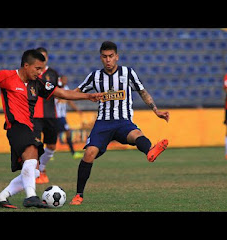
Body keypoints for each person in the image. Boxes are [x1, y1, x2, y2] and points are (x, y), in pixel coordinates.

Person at [0, 49, 103, 209]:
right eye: (37, 68)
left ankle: (1, 197)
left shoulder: (37, 83)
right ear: (26, 65)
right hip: (16, 126)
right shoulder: (6, 76)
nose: (40, 73)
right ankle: (31, 197)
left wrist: (88, 96)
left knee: (35, 171)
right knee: (31, 159)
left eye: (42, 69)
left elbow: (61, 92)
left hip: (29, 128)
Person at [69, 41, 170, 205]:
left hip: (123, 121)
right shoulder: (95, 76)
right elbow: (76, 92)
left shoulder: (128, 73)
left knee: (137, 135)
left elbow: (143, 92)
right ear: (100, 58)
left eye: (111, 56)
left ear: (117, 57)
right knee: (89, 154)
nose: (108, 60)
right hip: (103, 123)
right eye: (104, 57)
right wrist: (64, 96)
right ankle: (79, 195)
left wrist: (156, 110)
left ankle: (150, 152)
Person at [33, 47, 60, 184]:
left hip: (50, 114)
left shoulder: (53, 73)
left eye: (43, 57)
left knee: (52, 145)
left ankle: (42, 168)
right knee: (36, 145)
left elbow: (58, 91)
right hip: (35, 115)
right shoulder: (31, 72)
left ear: (47, 58)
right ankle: (36, 172)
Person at [55, 75, 84, 159]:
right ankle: (73, 153)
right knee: (67, 131)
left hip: (62, 115)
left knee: (55, 134)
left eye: (66, 80)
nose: (66, 81)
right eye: (64, 80)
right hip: (57, 115)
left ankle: (48, 152)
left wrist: (76, 109)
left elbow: (69, 101)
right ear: (60, 80)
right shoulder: (56, 89)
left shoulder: (66, 88)